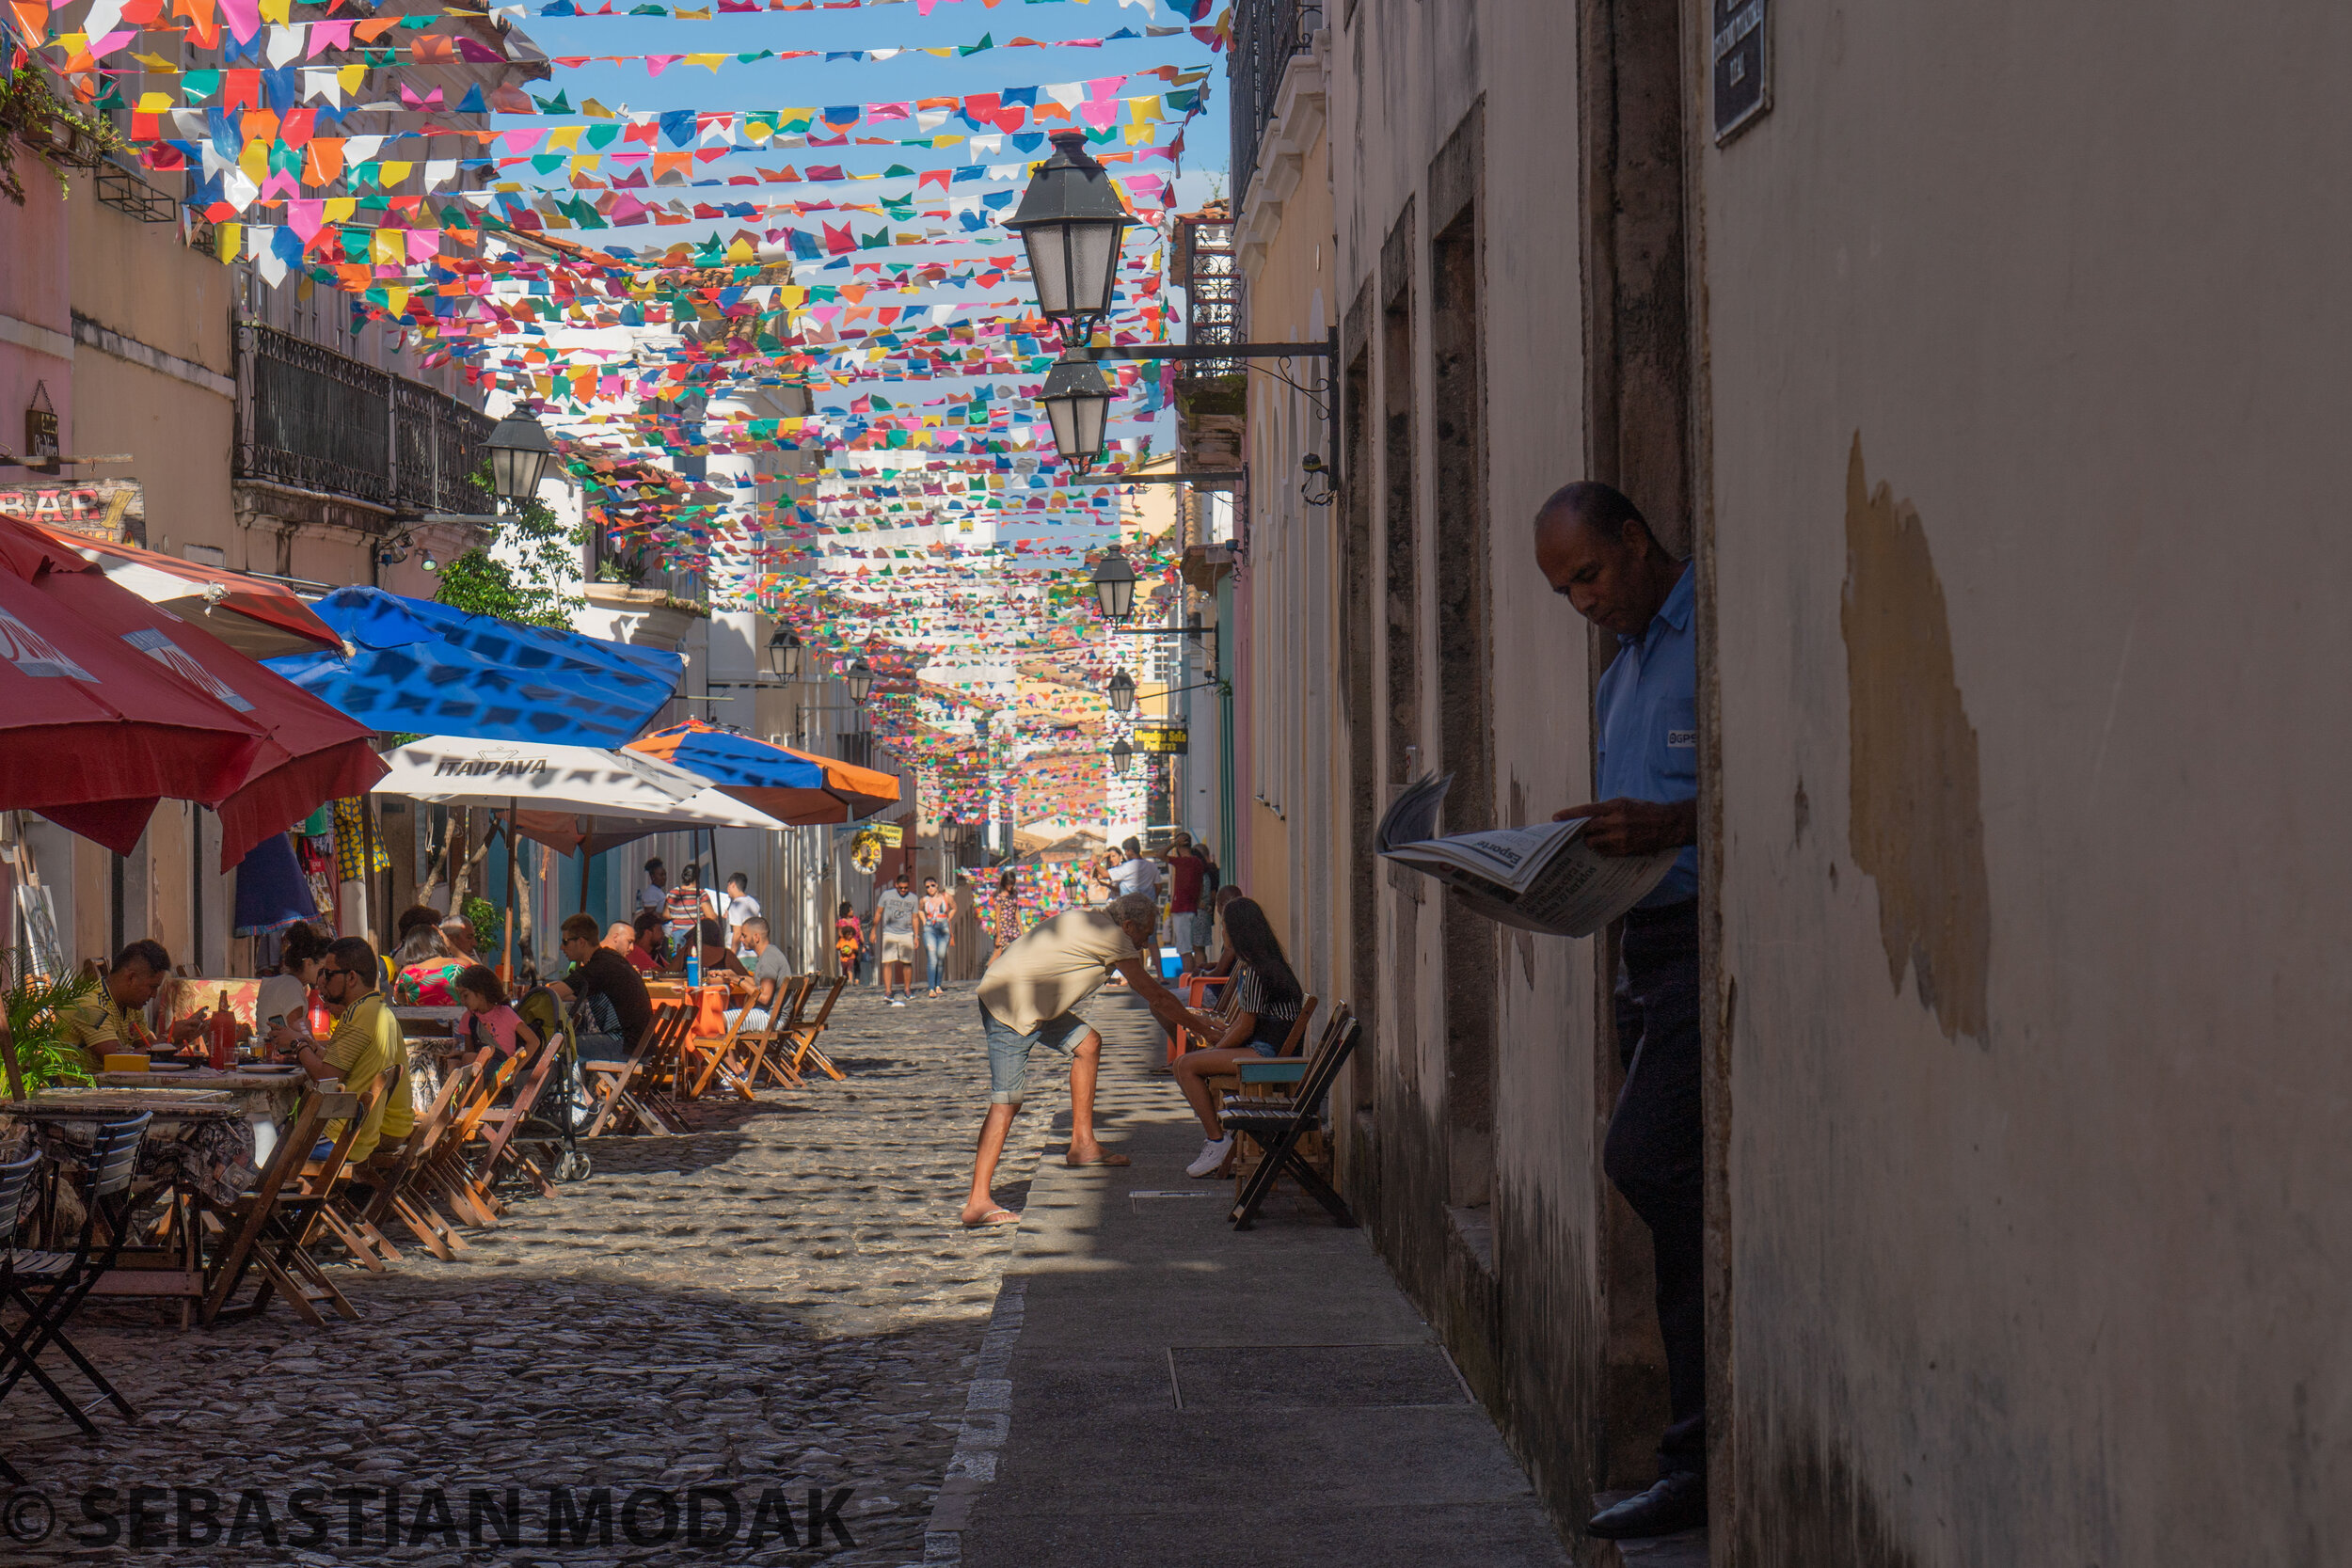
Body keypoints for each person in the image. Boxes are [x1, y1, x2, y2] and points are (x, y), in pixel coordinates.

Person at [1534, 480, 1705, 1541]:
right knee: (1660, 1176)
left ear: (1636, 541)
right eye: (1563, 590)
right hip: (1643, 949)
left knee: (1645, 1158)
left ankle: (1696, 1445)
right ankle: (1692, 1443)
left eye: (1588, 573)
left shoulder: (1706, 634)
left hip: (1704, 940)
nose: (1581, 601)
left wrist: (1673, 820)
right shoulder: (1618, 680)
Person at [961, 893, 1204, 1227]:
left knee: (1088, 1044)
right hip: (1010, 1004)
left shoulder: (1089, 918)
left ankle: (1083, 1145)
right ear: (1128, 925)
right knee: (1007, 1102)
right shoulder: (1114, 937)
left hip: (1030, 997)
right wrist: (1206, 1031)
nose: (1146, 943)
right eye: (1144, 934)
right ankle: (977, 1201)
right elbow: (1157, 996)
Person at [1169, 898, 1308, 1177]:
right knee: (1186, 1064)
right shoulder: (1266, 964)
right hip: (1266, 1047)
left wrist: (1215, 1048)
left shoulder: (1256, 970)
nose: (1222, 932)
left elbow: (1245, 1027)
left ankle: (1218, 1141)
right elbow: (1247, 1022)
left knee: (1186, 1065)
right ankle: (1218, 1136)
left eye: (1224, 927)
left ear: (1237, 931)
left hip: (1266, 1056)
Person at [280, 936, 413, 1170]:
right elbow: (341, 1065)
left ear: (351, 977)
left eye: (328, 974)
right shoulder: (376, 1010)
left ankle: (262, 1202)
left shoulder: (359, 1017)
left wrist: (297, 1044)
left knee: (264, 1137)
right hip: (361, 1132)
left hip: (342, 1137)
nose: (322, 981)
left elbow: (325, 1078)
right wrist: (308, 1046)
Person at [60, 940, 207, 1070]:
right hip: (79, 1092)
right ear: (131, 978)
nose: (154, 995)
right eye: (152, 987)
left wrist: (182, 1037)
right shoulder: (92, 1007)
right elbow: (116, 1061)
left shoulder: (131, 1006)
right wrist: (169, 1038)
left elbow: (151, 1050)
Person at [555, 912, 652, 1063]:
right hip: (641, 1048)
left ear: (581, 942)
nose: (562, 947)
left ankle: (573, 1087)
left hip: (627, 1047)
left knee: (561, 1045)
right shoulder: (609, 959)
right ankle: (583, 1085)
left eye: (565, 942)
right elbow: (574, 994)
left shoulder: (598, 967)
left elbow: (553, 993)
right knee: (573, 1042)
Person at [256, 922, 334, 1058]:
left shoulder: (281, 982)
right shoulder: (292, 986)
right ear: (309, 963)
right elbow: (299, 1031)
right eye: (322, 968)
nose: (325, 975)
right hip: (279, 1055)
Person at [453, 964, 539, 1070]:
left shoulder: (505, 1013)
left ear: (480, 992)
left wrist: (515, 1070)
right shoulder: (469, 1018)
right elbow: (470, 1051)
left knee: (469, 1058)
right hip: (479, 1067)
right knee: (452, 1064)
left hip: (501, 1068)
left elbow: (534, 1041)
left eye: (465, 995)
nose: (462, 1001)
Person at [726, 917, 794, 1034]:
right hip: (773, 1016)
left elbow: (764, 997)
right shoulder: (770, 953)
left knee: (718, 1019)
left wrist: (738, 981)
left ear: (756, 937)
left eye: (744, 935)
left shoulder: (769, 959)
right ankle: (728, 1051)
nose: (741, 939)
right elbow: (758, 983)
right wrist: (733, 976)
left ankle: (722, 1051)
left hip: (769, 1018)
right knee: (723, 1016)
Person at [872, 871, 920, 1006]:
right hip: (889, 932)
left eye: (906, 888)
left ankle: (907, 990)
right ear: (896, 885)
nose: (903, 891)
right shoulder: (886, 896)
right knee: (887, 962)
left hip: (906, 933)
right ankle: (888, 991)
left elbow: (915, 918)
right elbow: (878, 912)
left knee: (907, 962)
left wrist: (916, 936)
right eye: (901, 888)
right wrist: (873, 931)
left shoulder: (913, 898)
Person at [390, 923, 464, 1006]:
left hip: (419, 1018)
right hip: (457, 1018)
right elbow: (480, 973)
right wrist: (451, 947)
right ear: (439, 942)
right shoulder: (460, 965)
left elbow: (398, 1000)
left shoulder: (407, 972)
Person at [1164, 838, 1207, 974]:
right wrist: (1197, 900)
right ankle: (1195, 978)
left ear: (1178, 846)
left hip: (1180, 909)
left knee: (1185, 950)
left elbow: (1159, 855)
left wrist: (1172, 844)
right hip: (1192, 909)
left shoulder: (1180, 862)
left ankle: (1188, 981)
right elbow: (1201, 885)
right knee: (1194, 948)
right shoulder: (1197, 863)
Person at [664, 864, 718, 955]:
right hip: (694, 935)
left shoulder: (672, 894)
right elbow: (711, 917)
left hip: (677, 936)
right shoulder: (700, 894)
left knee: (679, 961)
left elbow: (665, 915)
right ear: (697, 877)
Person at [917, 876, 955, 998]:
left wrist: (948, 918)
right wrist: (924, 921)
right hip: (930, 929)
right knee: (932, 957)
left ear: (937, 885)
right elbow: (920, 910)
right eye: (927, 887)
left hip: (943, 928)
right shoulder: (924, 900)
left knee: (941, 955)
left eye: (932, 885)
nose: (930, 888)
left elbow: (954, 907)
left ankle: (938, 984)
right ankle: (931, 987)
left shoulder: (946, 897)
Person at [988, 870, 1022, 967]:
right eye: (1009, 884)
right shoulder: (998, 897)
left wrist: (1021, 929)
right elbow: (997, 916)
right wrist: (998, 935)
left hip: (1013, 927)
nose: (1010, 886)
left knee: (1016, 950)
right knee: (997, 954)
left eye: (1012, 883)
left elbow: (1017, 912)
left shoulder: (1014, 894)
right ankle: (987, 975)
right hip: (1002, 928)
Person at [1110, 836, 1159, 900]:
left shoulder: (1126, 867)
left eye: (1126, 851)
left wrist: (1096, 863)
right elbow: (1159, 887)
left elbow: (1104, 874)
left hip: (1129, 906)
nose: (1125, 854)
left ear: (1130, 851)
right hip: (1146, 906)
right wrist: (1151, 900)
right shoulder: (1152, 866)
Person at [723, 872, 762, 951]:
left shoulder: (736, 905)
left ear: (732, 885)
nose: (727, 890)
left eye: (728, 886)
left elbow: (737, 932)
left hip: (740, 953)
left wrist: (732, 954)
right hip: (753, 951)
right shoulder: (753, 902)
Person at [626, 911, 666, 975]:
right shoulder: (635, 951)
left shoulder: (654, 953)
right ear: (648, 933)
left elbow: (669, 968)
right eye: (659, 930)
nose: (663, 934)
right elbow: (664, 973)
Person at [834, 901, 866, 984]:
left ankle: (857, 980)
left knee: (857, 961)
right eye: (850, 910)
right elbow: (840, 933)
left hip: (857, 943)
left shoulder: (856, 920)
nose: (852, 911)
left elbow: (860, 930)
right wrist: (845, 940)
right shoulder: (840, 922)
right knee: (848, 961)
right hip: (846, 945)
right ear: (846, 911)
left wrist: (863, 942)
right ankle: (848, 979)